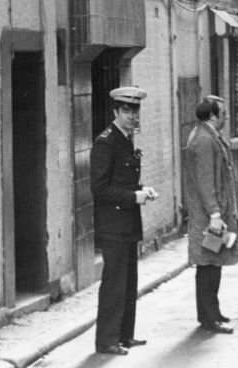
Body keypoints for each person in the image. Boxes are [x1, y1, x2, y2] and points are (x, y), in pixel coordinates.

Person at [90, 86, 158, 356]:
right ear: (116, 112)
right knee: (114, 283)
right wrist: (134, 196)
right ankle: (106, 340)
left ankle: (124, 335)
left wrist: (143, 190)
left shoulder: (126, 139)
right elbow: (100, 188)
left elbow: (124, 180)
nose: (132, 116)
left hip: (128, 223)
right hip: (113, 225)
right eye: (127, 111)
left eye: (135, 110)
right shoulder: (106, 142)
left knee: (129, 282)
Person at [185, 94, 238, 334]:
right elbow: (206, 180)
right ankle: (209, 317)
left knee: (213, 262)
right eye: (223, 114)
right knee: (208, 263)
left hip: (211, 213)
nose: (226, 118)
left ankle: (212, 312)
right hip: (209, 216)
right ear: (212, 116)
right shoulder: (205, 140)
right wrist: (215, 213)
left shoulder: (206, 136)